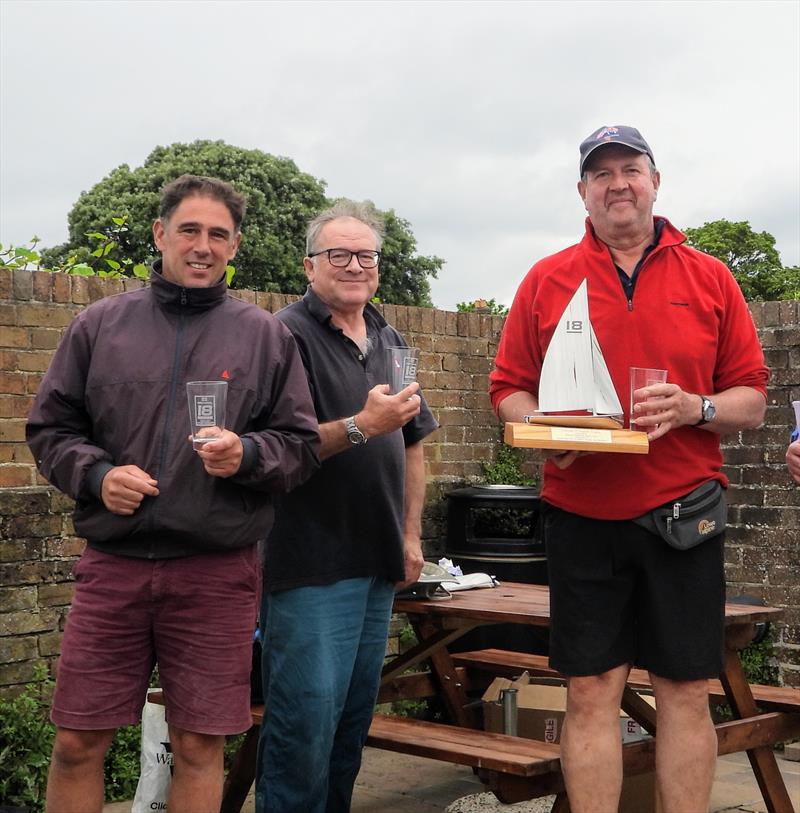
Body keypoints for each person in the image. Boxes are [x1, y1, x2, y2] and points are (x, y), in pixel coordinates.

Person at [490, 125, 768, 813]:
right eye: (602, 173)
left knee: (683, 690)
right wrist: (546, 433)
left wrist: (694, 405)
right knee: (589, 691)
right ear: (582, 190)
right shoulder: (545, 278)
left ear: (655, 180)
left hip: (684, 513)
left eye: (631, 169)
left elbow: (752, 399)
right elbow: (508, 387)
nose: (618, 183)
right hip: (582, 515)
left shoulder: (711, 276)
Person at [26, 174, 320, 813]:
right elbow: (51, 429)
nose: (202, 246)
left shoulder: (265, 336)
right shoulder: (100, 325)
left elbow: (298, 446)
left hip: (217, 574)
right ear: (160, 234)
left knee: (198, 745)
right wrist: (98, 477)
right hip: (114, 568)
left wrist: (247, 455)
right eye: (189, 230)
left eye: (218, 234)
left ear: (235, 246)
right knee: (78, 739)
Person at [255, 200, 438, 813]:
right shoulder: (283, 336)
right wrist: (362, 425)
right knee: (302, 726)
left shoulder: (392, 340)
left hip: (378, 560)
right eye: (339, 254)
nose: (354, 265)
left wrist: (411, 537)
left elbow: (413, 446)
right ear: (310, 265)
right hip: (308, 562)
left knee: (349, 728)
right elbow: (279, 448)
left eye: (365, 255)